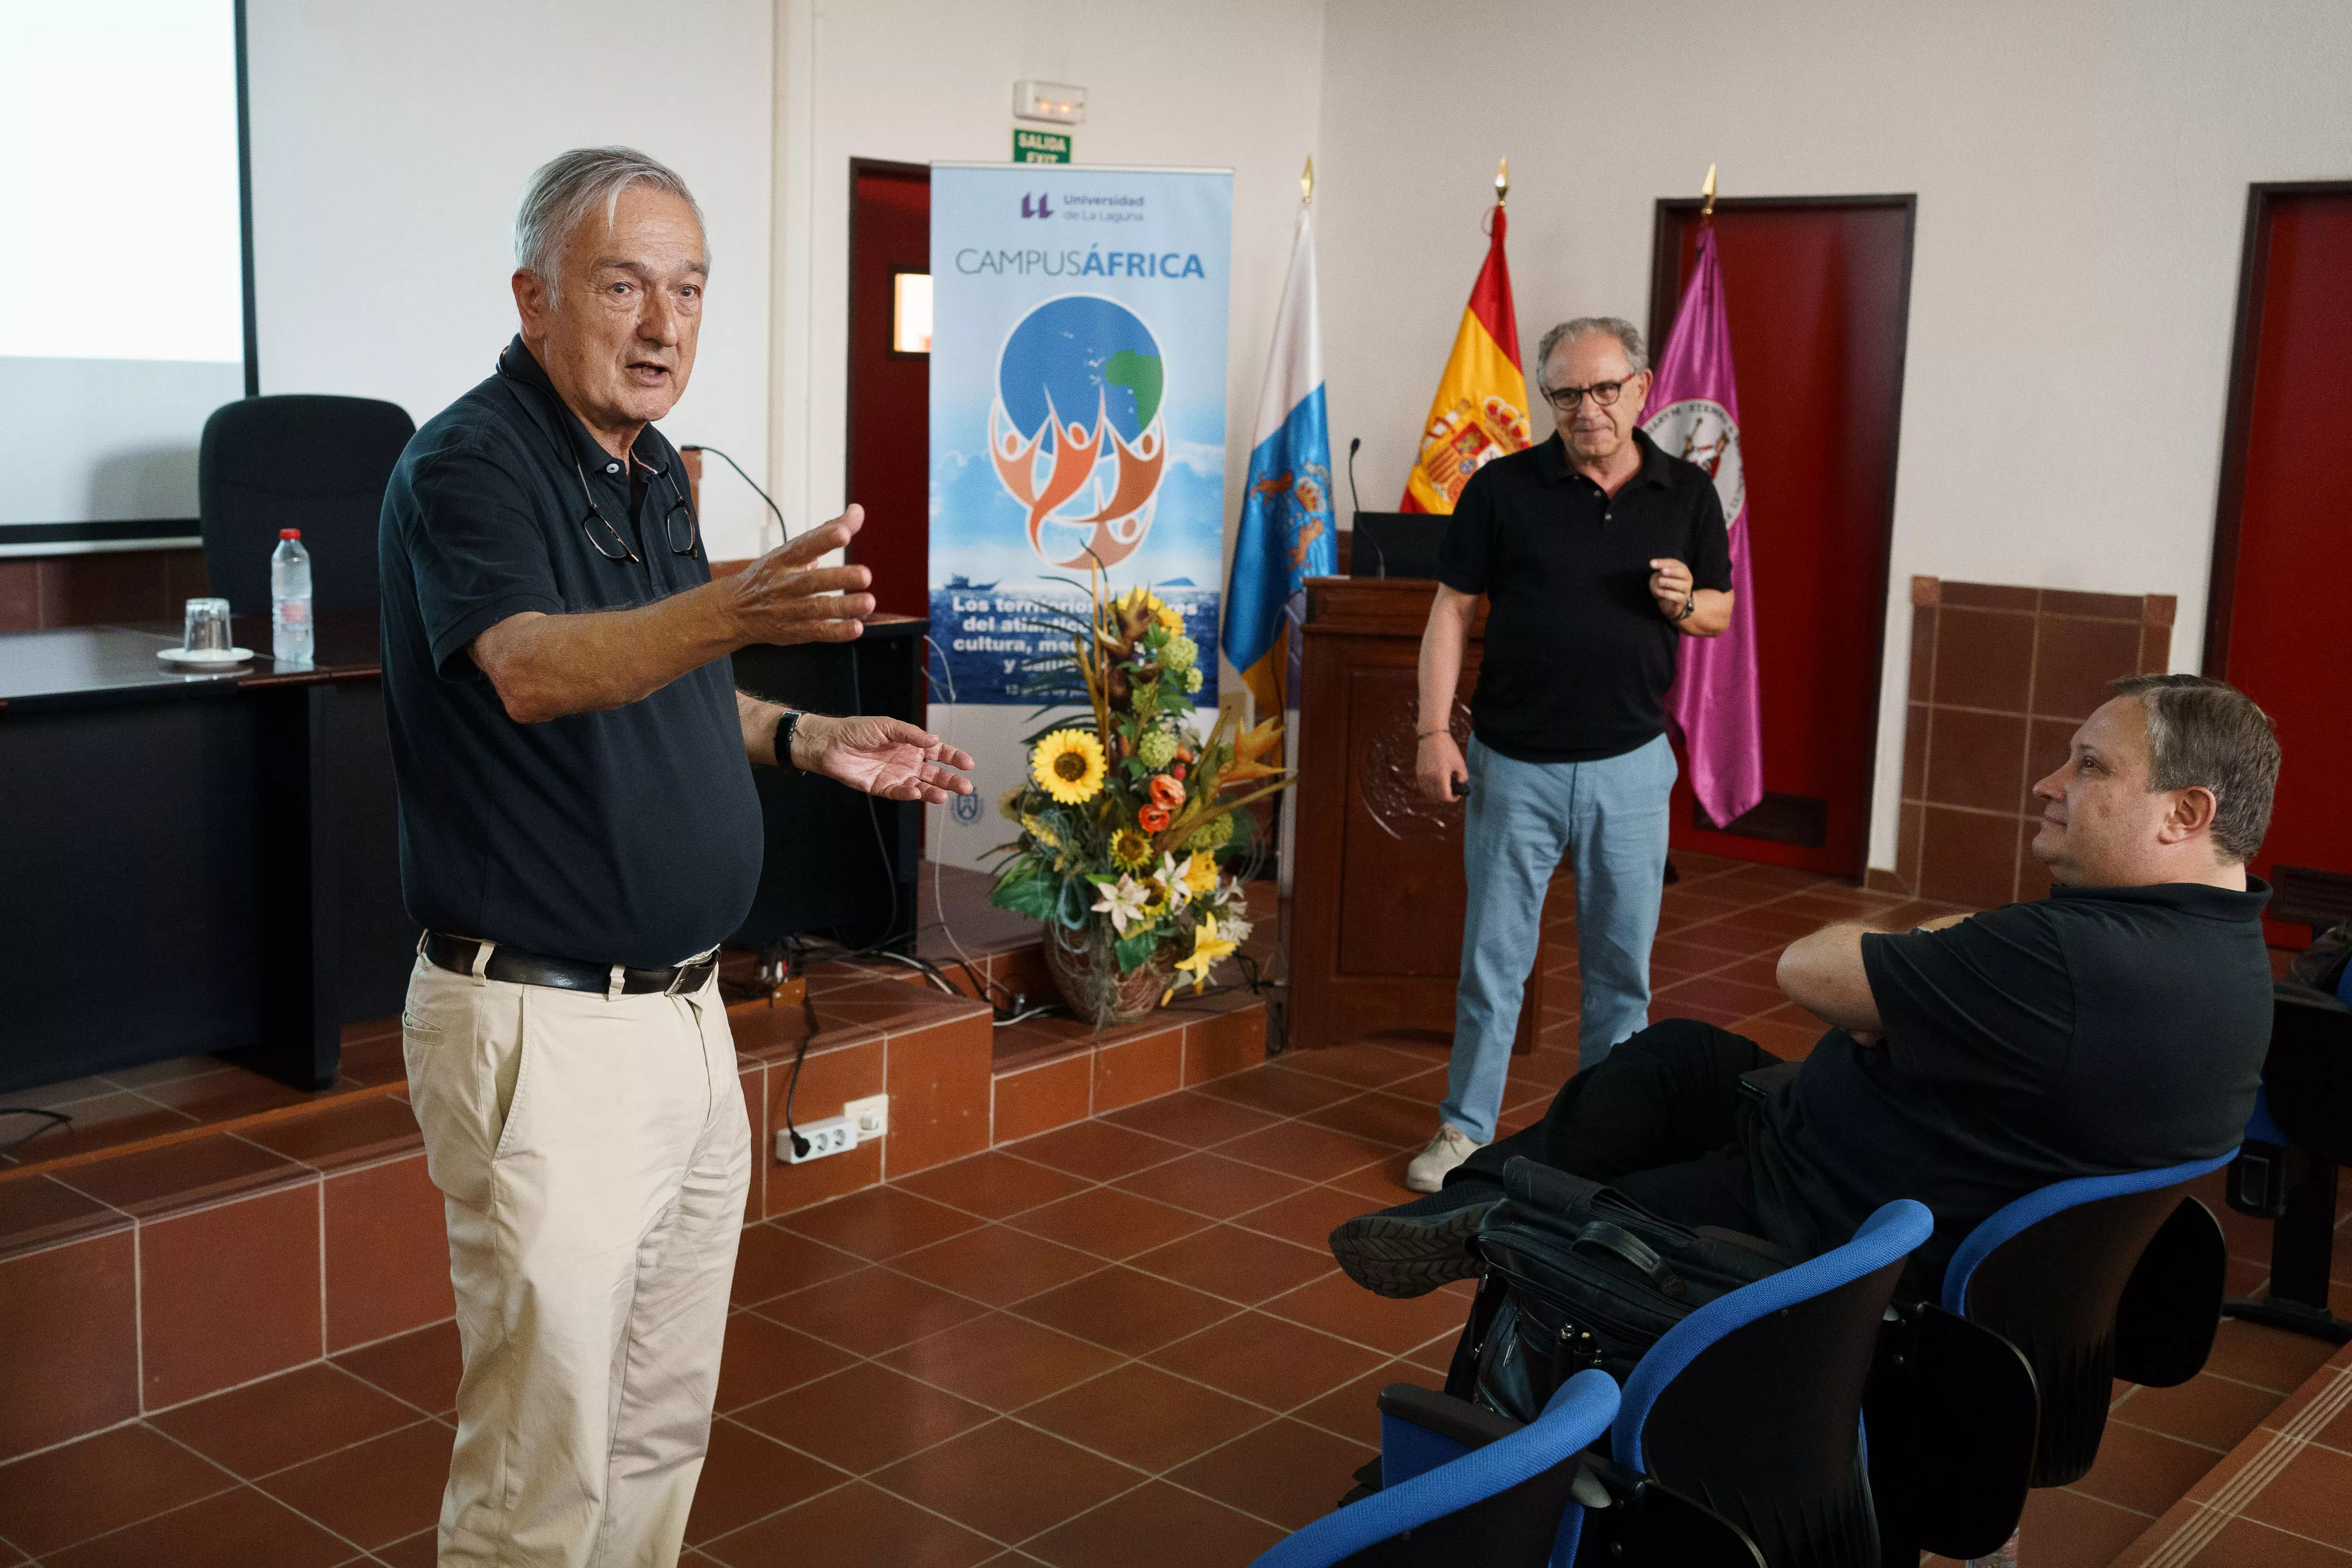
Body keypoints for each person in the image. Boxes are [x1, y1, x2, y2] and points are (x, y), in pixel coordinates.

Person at [380, 147, 974, 1568]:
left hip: (687, 1019)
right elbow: (531, 668)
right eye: (624, 285)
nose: (664, 324)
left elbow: (670, 689)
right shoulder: (466, 464)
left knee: (656, 1425)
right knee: (544, 1467)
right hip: (546, 1023)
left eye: (689, 289)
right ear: (534, 300)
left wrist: (801, 736)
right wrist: (732, 608)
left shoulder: (647, 472)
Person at [1335, 674, 2280, 1298]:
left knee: (1574, 1225)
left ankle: (1493, 1409)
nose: (2047, 782)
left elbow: (1807, 967)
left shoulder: (2074, 958)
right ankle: (1465, 1207)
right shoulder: (2230, 955)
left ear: (2184, 813)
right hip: (1872, 1159)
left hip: (1821, 1222)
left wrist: (1916, 973)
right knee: (1674, 1059)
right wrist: (1930, 993)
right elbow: (1970, 981)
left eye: (2089, 765)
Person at [1405, 316, 1733, 1192]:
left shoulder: (1687, 494)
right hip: (1514, 763)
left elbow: (1720, 613)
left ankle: (1603, 1135)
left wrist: (1682, 603)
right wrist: (1434, 730)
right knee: (1493, 963)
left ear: (1643, 387)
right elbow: (1451, 612)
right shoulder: (1501, 488)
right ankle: (1464, 1130)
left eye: (1603, 389)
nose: (1586, 409)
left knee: (1620, 971)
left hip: (1631, 763)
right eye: (1565, 394)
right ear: (1545, 397)